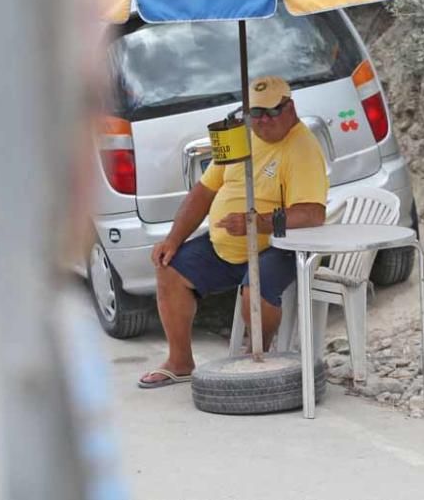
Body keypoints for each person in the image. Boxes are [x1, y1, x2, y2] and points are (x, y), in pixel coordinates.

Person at [138, 75, 328, 388]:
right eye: (256, 113)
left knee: (256, 286)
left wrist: (256, 223)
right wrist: (173, 239)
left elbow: (311, 214)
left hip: (277, 246)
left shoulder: (302, 147)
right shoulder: (241, 137)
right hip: (224, 245)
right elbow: (203, 191)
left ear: (290, 108)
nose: (264, 121)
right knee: (168, 268)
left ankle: (259, 355)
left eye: (272, 112)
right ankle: (180, 361)